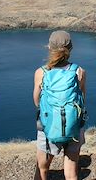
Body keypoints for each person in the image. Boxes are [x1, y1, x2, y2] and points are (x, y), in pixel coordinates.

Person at [33, 30, 86, 180]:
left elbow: (37, 102)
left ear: (49, 47)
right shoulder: (79, 71)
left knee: (42, 169)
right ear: (71, 49)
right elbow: (82, 99)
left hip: (48, 126)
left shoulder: (41, 72)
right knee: (71, 173)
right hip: (74, 125)